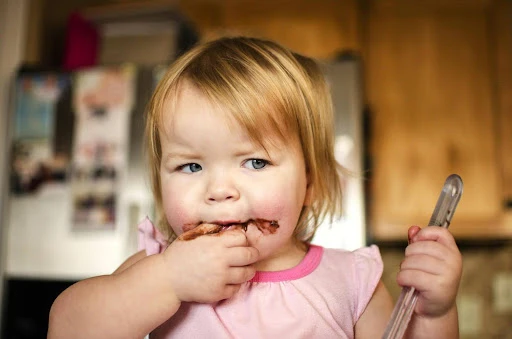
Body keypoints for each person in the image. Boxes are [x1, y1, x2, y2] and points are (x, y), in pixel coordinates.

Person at [48, 36, 462, 339]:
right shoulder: (161, 267)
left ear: (311, 183)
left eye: (255, 162)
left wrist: (435, 312)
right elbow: (67, 328)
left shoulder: (352, 283)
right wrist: (168, 280)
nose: (220, 189)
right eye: (191, 165)